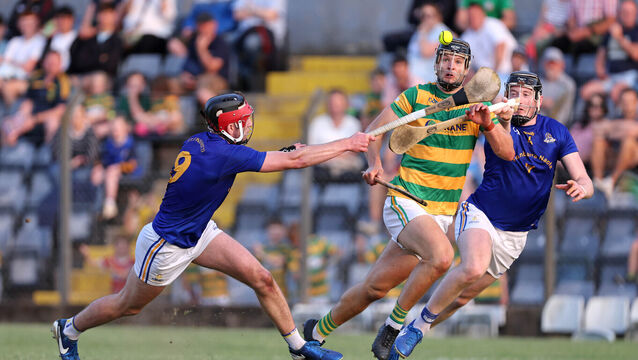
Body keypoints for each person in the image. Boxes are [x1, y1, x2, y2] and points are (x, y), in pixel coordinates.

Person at [52, 92, 374, 360]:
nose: (249, 124)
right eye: (243, 121)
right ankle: (69, 330)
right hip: (167, 245)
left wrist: (287, 152)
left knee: (261, 278)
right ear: (228, 126)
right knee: (128, 305)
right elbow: (295, 162)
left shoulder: (204, 141)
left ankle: (299, 348)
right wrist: (348, 143)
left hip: (200, 230)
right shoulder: (223, 154)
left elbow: (282, 157)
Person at [302, 39, 515, 360]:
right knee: (442, 256)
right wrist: (374, 163)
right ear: (436, 64)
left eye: (458, 62)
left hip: (442, 212)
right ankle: (392, 329)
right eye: (445, 59)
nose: (450, 66)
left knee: (374, 288)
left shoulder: (477, 107)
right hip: (406, 199)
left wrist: (490, 123)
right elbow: (374, 132)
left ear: (467, 69)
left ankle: (314, 333)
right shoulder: (417, 96)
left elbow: (507, 151)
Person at [389, 71, 593, 359]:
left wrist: (582, 187)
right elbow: (503, 149)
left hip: (515, 234)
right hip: (480, 214)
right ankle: (414, 328)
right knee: (472, 267)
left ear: (539, 100)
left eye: (526, 95)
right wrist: (496, 120)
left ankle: (418, 326)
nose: (519, 100)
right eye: (514, 92)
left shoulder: (557, 131)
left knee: (461, 298)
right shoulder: (494, 122)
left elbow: (585, 178)